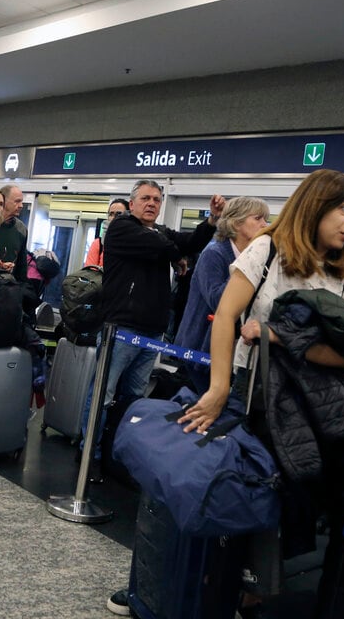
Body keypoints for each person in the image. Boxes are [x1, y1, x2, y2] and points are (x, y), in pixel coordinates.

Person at [161, 169, 344, 618]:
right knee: (234, 497)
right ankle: (200, 590)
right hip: (250, 394)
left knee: (278, 509)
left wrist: (280, 337)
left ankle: (248, 595)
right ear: (315, 206)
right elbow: (227, 314)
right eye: (343, 208)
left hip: (306, 409)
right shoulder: (268, 249)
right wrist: (217, 389)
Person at [84, 179, 225, 486]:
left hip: (151, 332)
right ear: (132, 203)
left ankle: (117, 453)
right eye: (146, 198)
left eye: (157, 200)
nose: (152, 203)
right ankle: (88, 457)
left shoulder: (159, 232)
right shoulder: (121, 228)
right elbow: (172, 247)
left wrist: (211, 221)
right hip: (121, 329)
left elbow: (188, 242)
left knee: (133, 400)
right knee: (101, 397)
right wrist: (176, 254)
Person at [174, 196, 269, 394]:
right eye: (258, 218)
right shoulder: (214, 254)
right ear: (236, 222)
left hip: (230, 349)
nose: (264, 224)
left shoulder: (256, 258)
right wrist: (244, 266)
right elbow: (218, 301)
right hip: (200, 348)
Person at [84, 198, 129, 267]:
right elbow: (90, 273)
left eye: (119, 214)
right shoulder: (98, 244)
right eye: (111, 214)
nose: (113, 218)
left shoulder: (133, 243)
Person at [0, 184, 27, 282]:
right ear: (3, 201)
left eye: (21, 202)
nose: (21, 205)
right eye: (17, 201)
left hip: (7, 286)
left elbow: (22, 265)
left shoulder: (21, 229)